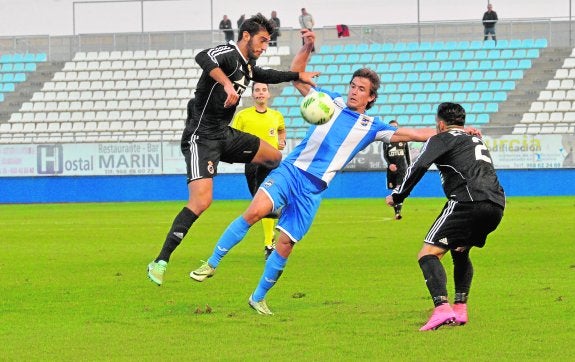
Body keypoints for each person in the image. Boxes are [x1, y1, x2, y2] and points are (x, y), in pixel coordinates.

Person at [189, 30, 481, 315]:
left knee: (286, 245)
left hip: (313, 189)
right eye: (353, 85)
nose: (354, 91)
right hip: (291, 171)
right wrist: (306, 47)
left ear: (371, 97)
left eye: (361, 89)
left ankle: (258, 298)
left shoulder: (373, 126)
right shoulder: (328, 102)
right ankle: (211, 263)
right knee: (255, 212)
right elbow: (297, 73)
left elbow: (416, 134)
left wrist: (458, 131)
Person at [146, 14, 319, 286]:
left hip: (224, 135)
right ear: (247, 36)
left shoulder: (248, 66)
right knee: (201, 202)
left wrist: (299, 75)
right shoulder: (228, 53)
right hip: (201, 138)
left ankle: (263, 201)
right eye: (262, 40)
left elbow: (265, 75)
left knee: (274, 156)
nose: (264, 46)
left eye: (268, 42)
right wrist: (226, 83)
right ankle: (160, 260)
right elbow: (203, 56)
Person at [386, 102, 505, 331]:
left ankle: (441, 308)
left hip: (467, 201)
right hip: (497, 205)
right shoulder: (475, 139)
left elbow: (418, 166)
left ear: (440, 123)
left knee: (428, 254)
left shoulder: (440, 138)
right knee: (460, 250)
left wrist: (398, 196)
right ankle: (460, 307)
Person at [231, 82, 286, 259]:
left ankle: (269, 244)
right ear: (253, 94)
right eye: (257, 90)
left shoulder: (276, 116)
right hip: (252, 163)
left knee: (266, 201)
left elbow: (281, 130)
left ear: (268, 94)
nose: (260, 93)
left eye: (264, 90)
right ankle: (279, 218)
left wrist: (281, 141)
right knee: (261, 203)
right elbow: (232, 137)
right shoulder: (243, 116)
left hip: (271, 163)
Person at [381, 120, 411, 220]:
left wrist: (409, 167)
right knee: (394, 189)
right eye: (391, 127)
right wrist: (389, 165)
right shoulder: (386, 141)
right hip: (391, 170)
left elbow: (407, 155)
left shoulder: (403, 140)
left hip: (402, 168)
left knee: (398, 189)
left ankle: (397, 213)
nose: (393, 128)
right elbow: (385, 155)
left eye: (395, 127)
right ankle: (396, 210)